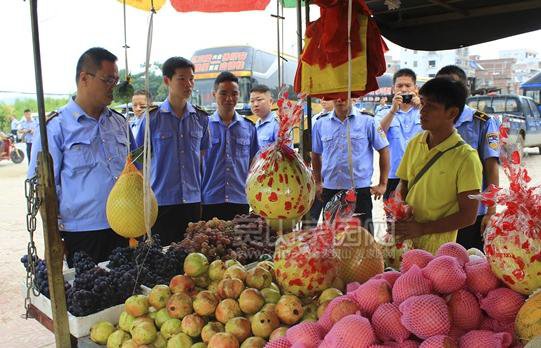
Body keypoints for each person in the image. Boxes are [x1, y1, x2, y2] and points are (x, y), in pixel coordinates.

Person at [28, 47, 135, 266]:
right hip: (83, 233)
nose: (113, 87)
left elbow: (135, 169)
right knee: (91, 296)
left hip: (125, 229)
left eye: (115, 81)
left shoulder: (119, 123)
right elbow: (42, 189)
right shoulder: (55, 128)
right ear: (84, 78)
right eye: (107, 80)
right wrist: (53, 239)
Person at [394, 77, 483, 254]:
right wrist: (398, 209)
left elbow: (468, 216)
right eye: (423, 103)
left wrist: (423, 228)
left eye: (431, 106)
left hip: (439, 251)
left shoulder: (466, 158)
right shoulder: (414, 143)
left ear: (451, 113)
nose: (422, 111)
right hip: (406, 243)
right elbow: (403, 185)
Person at [135, 57, 209, 245]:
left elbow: (201, 157)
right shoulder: (152, 119)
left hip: (192, 203)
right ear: (167, 80)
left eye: (191, 79)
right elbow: (138, 161)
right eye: (182, 79)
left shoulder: (200, 118)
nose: (189, 84)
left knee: (193, 258)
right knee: (162, 258)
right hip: (161, 202)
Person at [436, 65, 500, 251]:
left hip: (472, 213)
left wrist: (491, 210)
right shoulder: (430, 121)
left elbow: (491, 167)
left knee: (470, 264)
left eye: (453, 86)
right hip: (439, 211)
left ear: (465, 90)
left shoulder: (481, 122)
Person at [311, 98, 390, 233]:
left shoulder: (368, 121)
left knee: (363, 239)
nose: (340, 100)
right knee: (331, 238)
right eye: (336, 96)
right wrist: (318, 182)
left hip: (360, 191)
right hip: (331, 190)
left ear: (352, 97)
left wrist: (383, 183)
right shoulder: (320, 123)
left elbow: (384, 150)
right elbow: (315, 154)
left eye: (344, 95)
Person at [202, 71, 259, 221]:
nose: (229, 98)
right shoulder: (203, 126)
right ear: (214, 94)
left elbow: (255, 166)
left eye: (234, 94)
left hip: (240, 200)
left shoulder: (249, 128)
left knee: (240, 243)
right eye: (223, 93)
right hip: (209, 200)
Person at [375, 69, 423, 200]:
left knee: (420, 216)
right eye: (399, 86)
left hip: (420, 174)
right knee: (393, 217)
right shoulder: (384, 112)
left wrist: (422, 107)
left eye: (408, 85)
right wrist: (392, 111)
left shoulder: (424, 111)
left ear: (416, 88)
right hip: (393, 175)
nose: (403, 89)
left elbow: (437, 131)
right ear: (393, 89)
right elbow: (378, 135)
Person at [250, 84, 278, 149]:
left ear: (270, 101)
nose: (255, 104)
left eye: (259, 100)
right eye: (252, 101)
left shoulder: (278, 124)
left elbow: (285, 154)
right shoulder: (256, 124)